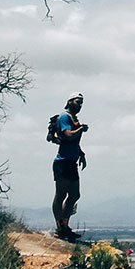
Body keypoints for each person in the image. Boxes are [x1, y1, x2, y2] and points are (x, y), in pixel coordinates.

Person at [51, 93, 87, 241]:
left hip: (71, 162)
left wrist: (81, 154)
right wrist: (81, 129)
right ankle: (60, 227)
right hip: (63, 162)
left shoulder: (74, 119)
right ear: (70, 102)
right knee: (61, 195)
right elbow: (67, 135)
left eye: (81, 103)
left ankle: (65, 225)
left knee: (74, 194)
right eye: (78, 102)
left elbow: (74, 142)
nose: (79, 105)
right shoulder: (64, 117)